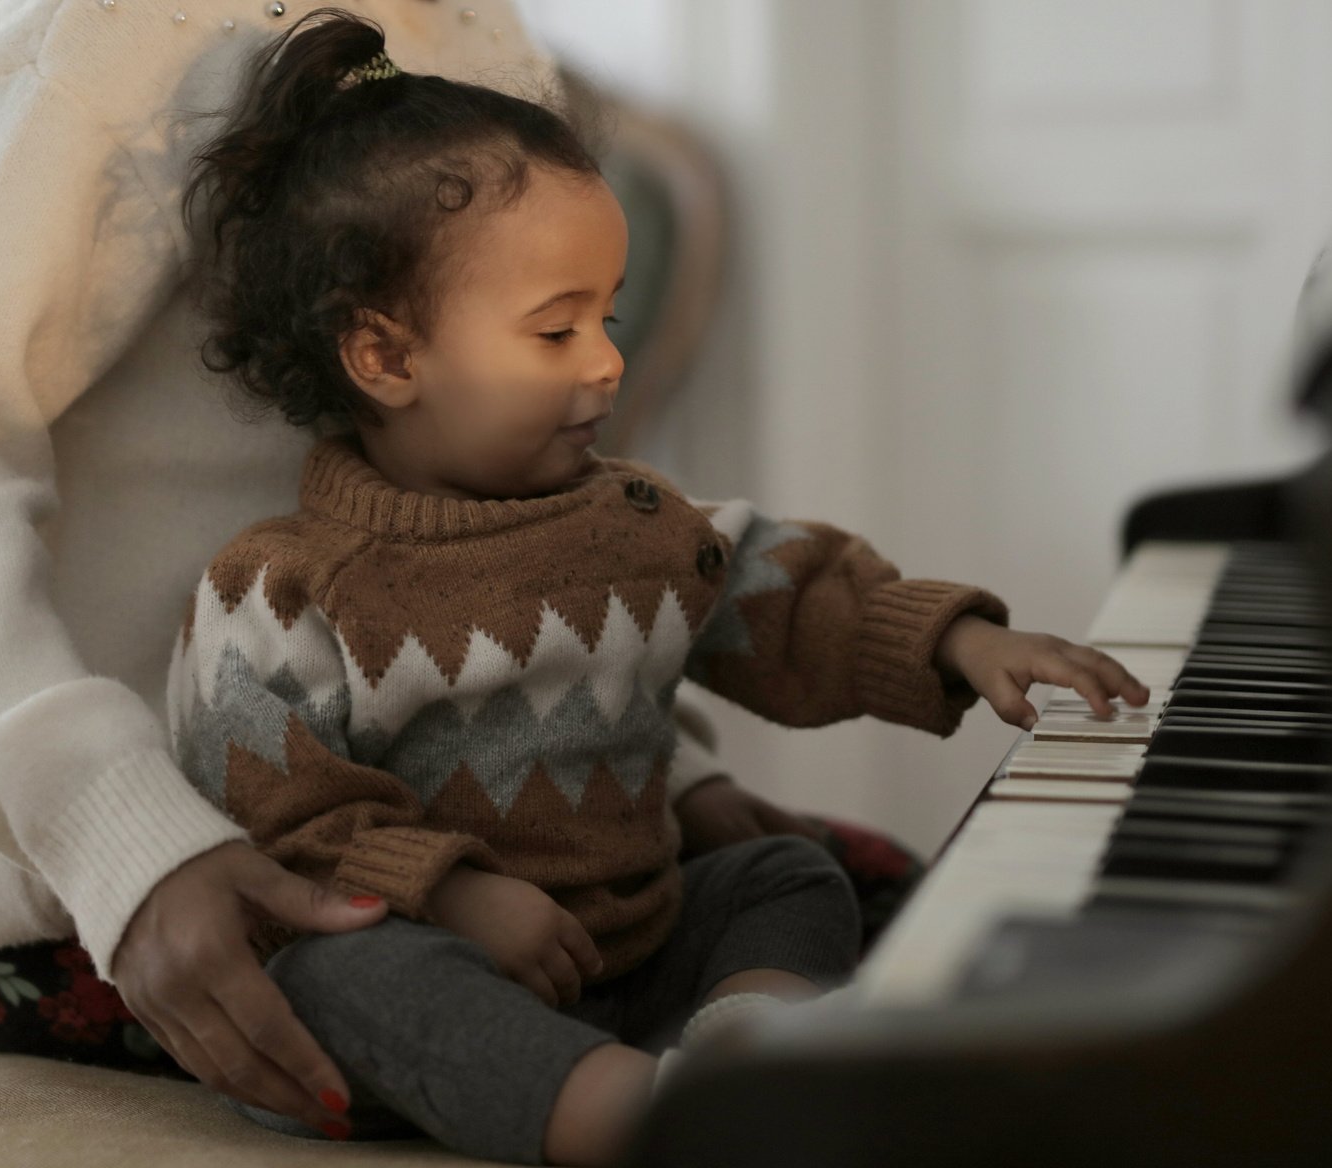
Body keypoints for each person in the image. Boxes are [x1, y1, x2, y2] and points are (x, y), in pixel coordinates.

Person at [0, 0, 867, 1145]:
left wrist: (659, 770)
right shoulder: (96, 31)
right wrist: (128, 850)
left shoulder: (474, 29)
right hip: (160, 881)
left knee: (883, 899)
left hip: (473, 829)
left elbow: (496, 489)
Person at [163, 12, 1149, 1165]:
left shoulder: (636, 525)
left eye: (608, 315)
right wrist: (459, 895)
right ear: (385, 357)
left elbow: (788, 591)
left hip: (637, 955)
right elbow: (281, 823)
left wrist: (960, 645)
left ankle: (740, 1060)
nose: (604, 361)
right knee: (341, 972)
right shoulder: (283, 588)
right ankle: (639, 1121)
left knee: (786, 873)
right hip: (449, 971)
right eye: (554, 330)